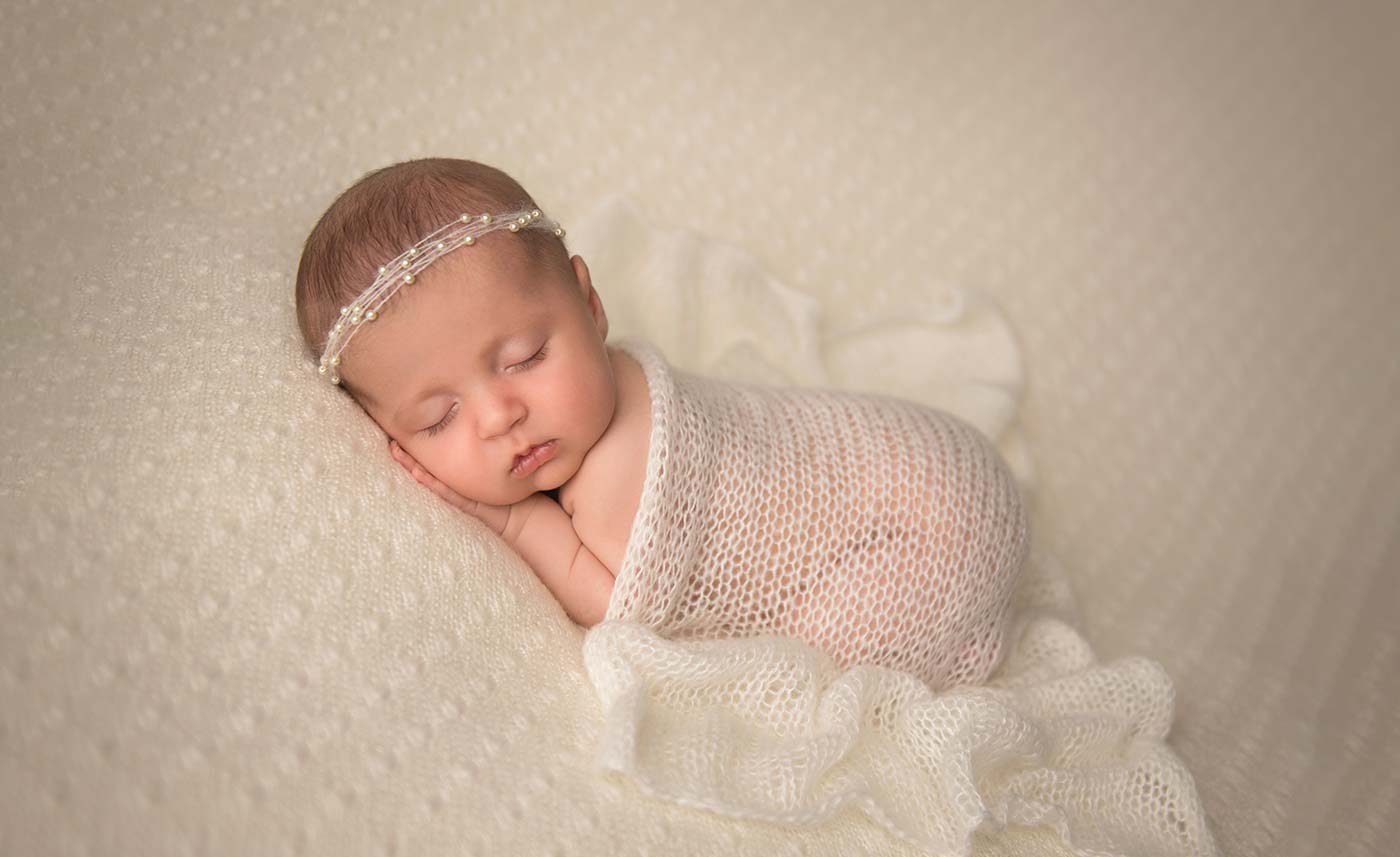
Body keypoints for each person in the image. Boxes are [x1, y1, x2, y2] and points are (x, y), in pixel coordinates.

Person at [295, 156, 1029, 689]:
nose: (498, 415)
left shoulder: (627, 464)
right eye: (439, 416)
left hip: (933, 529)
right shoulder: (600, 387)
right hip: (931, 451)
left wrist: (516, 525)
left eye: (524, 357)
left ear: (590, 303)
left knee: (814, 682)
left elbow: (622, 609)